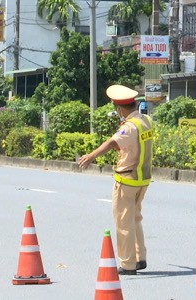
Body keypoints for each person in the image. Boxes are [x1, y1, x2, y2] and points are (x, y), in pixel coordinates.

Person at [78, 84, 153, 275]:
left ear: (119, 108)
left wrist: (91, 156)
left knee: (123, 223)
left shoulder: (128, 128)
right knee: (135, 218)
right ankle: (140, 257)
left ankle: (128, 264)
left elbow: (112, 142)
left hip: (127, 179)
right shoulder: (146, 121)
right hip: (142, 179)